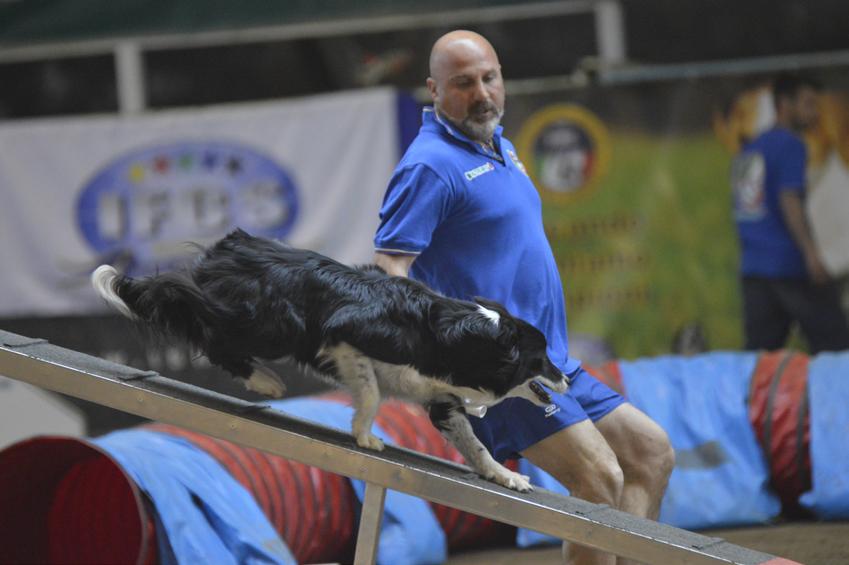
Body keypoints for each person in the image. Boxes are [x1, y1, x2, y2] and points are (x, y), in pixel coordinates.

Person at [373, 30, 674, 565]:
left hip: (550, 359)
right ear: (434, 90)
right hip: (498, 373)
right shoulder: (430, 165)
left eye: (490, 77)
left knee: (649, 453)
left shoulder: (498, 144)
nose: (482, 92)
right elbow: (391, 264)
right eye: (463, 83)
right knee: (600, 479)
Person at [731, 74, 849, 354]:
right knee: (837, 348)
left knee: (760, 358)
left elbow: (746, 210)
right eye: (808, 103)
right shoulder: (791, 145)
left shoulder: (750, 149)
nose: (815, 112)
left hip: (753, 269)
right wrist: (811, 255)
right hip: (788, 266)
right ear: (784, 104)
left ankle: (754, 399)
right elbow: (789, 200)